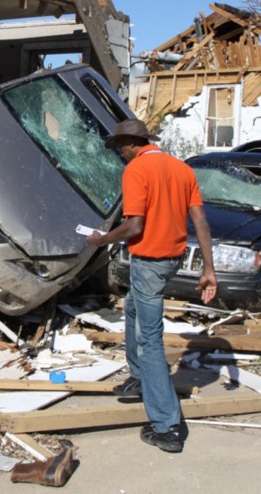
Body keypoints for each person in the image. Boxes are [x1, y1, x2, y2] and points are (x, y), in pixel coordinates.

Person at [87, 118, 216, 453]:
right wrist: (208, 269)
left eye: (120, 147)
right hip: (171, 259)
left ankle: (167, 425)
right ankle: (139, 377)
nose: (119, 154)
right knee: (132, 308)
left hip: (150, 262)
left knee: (151, 341)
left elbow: (134, 227)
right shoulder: (181, 169)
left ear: (131, 143)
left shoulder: (136, 171)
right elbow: (200, 220)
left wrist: (102, 239)